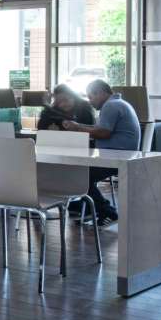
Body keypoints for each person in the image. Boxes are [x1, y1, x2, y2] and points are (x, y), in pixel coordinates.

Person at [62, 79, 140, 226]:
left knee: (79, 176)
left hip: (115, 157)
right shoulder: (118, 103)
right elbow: (98, 129)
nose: (90, 101)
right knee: (81, 173)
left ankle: (106, 211)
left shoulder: (110, 106)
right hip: (121, 155)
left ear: (101, 93)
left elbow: (103, 133)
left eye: (91, 97)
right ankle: (89, 206)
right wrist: (77, 126)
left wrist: (77, 128)